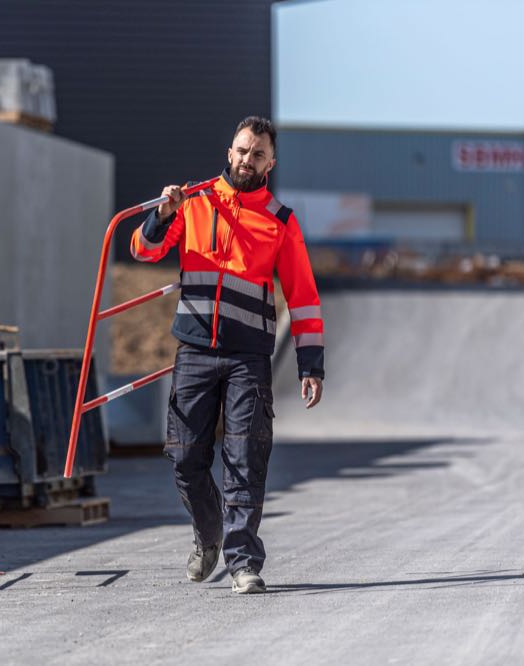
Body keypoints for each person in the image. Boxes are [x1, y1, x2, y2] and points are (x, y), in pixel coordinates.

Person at [130, 116, 325, 594]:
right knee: (183, 457)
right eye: (241, 150)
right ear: (229, 151)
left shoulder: (280, 221)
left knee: (245, 458)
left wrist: (310, 363)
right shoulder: (193, 202)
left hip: (248, 358)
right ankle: (209, 533)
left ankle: (242, 562)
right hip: (195, 350)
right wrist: (161, 213)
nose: (247, 159)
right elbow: (143, 250)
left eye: (258, 154)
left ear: (270, 163)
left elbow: (303, 297)